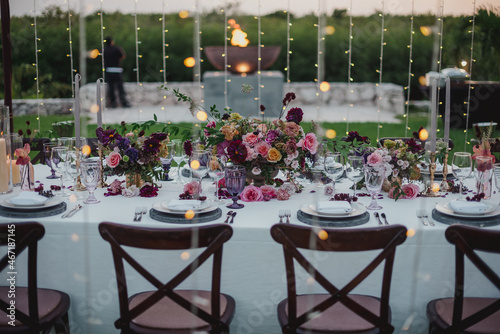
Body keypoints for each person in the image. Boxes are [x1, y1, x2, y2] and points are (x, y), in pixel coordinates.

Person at [103, 36, 131, 108]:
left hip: (109, 70)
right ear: (112, 41)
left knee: (111, 88)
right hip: (117, 70)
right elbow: (123, 56)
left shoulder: (104, 50)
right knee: (120, 88)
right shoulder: (117, 48)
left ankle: (112, 104)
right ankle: (124, 103)